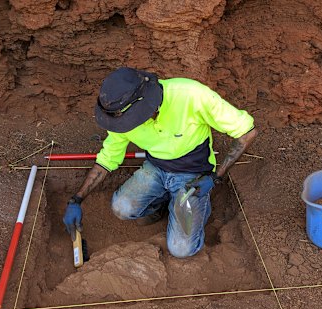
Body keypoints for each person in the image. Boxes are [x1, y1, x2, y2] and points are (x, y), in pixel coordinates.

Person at [63, 67, 257, 258]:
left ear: (145, 106)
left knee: (181, 249)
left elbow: (247, 132)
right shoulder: (120, 118)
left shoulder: (191, 95)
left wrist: (215, 178)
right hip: (156, 168)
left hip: (193, 175)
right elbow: (107, 159)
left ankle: (194, 206)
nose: (125, 127)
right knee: (121, 208)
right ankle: (164, 204)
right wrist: (77, 199)